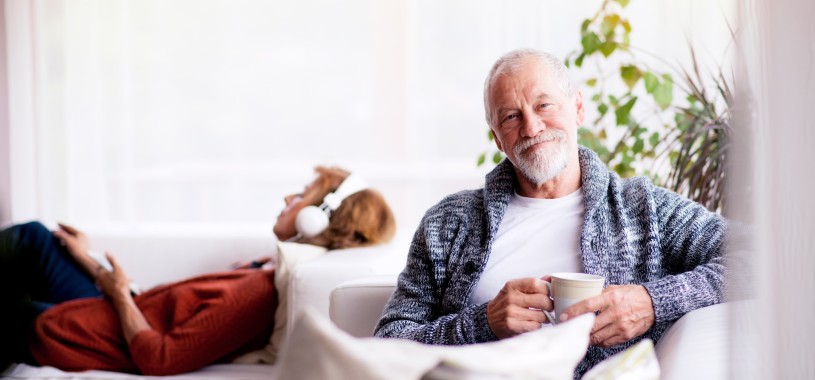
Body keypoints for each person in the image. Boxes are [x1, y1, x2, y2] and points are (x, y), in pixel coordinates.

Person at [374, 48, 727, 377]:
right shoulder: (447, 224)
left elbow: (759, 255)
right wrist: (483, 323)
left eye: (544, 106)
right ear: (497, 138)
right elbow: (389, 344)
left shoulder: (644, 209)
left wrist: (650, 302)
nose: (532, 128)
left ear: (577, 108)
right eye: (512, 117)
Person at [0, 166, 396, 375]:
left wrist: (118, 293)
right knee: (38, 239)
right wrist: (88, 260)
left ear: (318, 218)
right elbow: (155, 305)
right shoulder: (266, 267)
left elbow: (161, 358)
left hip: (87, 332)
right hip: (117, 312)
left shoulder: (258, 295)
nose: (288, 198)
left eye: (301, 195)